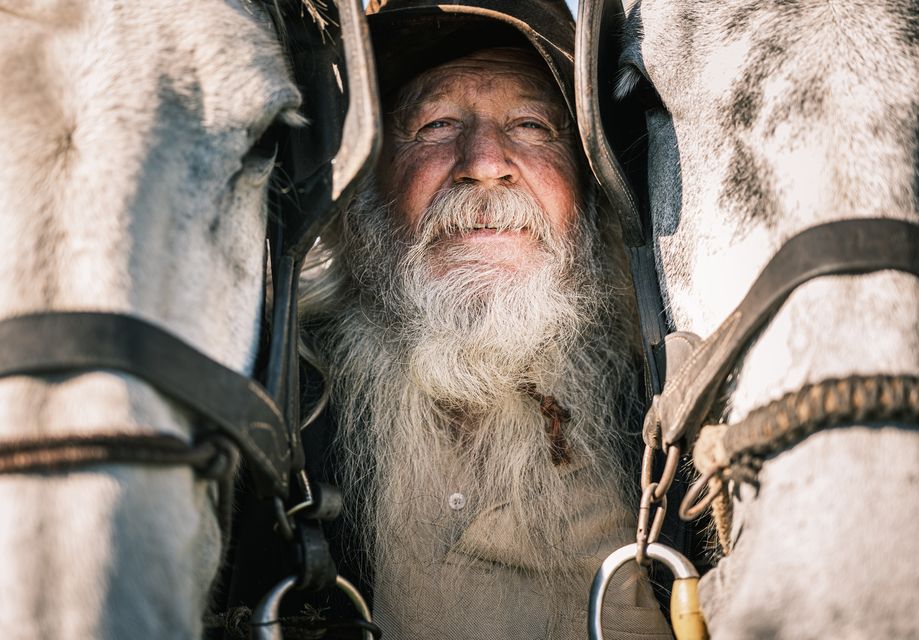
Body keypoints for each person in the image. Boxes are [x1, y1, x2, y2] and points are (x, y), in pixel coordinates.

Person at [297, 0, 674, 637]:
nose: (484, 161)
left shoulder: (668, 424)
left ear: (590, 190)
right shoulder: (284, 421)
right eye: (436, 124)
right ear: (365, 189)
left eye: (531, 125)